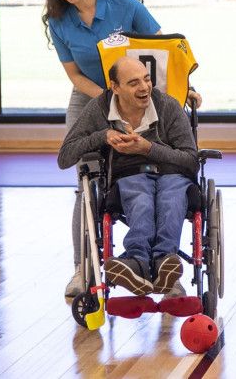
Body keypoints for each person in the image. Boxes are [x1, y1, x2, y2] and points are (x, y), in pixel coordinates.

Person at [42, 0, 200, 297]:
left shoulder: (123, 5)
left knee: (163, 175)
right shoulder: (58, 20)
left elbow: (165, 52)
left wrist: (185, 88)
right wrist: (109, 99)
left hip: (140, 90)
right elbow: (73, 74)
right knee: (87, 183)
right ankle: (83, 268)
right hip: (92, 96)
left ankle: (163, 267)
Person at [57, 56, 197, 295]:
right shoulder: (99, 108)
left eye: (147, 79)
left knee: (170, 197)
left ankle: (163, 261)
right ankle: (137, 262)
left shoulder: (167, 106)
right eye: (133, 83)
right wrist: (103, 135)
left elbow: (191, 160)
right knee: (140, 199)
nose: (144, 87)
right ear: (115, 87)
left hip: (172, 172)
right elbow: (65, 157)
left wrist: (148, 149)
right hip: (129, 173)